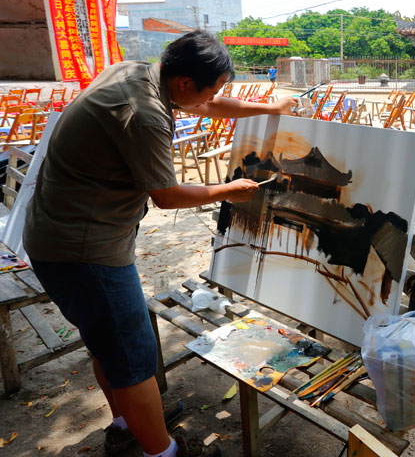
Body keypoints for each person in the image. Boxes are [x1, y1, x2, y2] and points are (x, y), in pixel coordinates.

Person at [23, 31, 298, 457]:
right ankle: (163, 452)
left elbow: (208, 104)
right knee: (133, 358)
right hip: (85, 250)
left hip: (57, 235)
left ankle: (126, 423)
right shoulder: (145, 113)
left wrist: (269, 107)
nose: (217, 96)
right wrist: (227, 190)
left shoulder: (135, 72)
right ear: (184, 83)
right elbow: (166, 196)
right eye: (216, 86)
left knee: (107, 344)